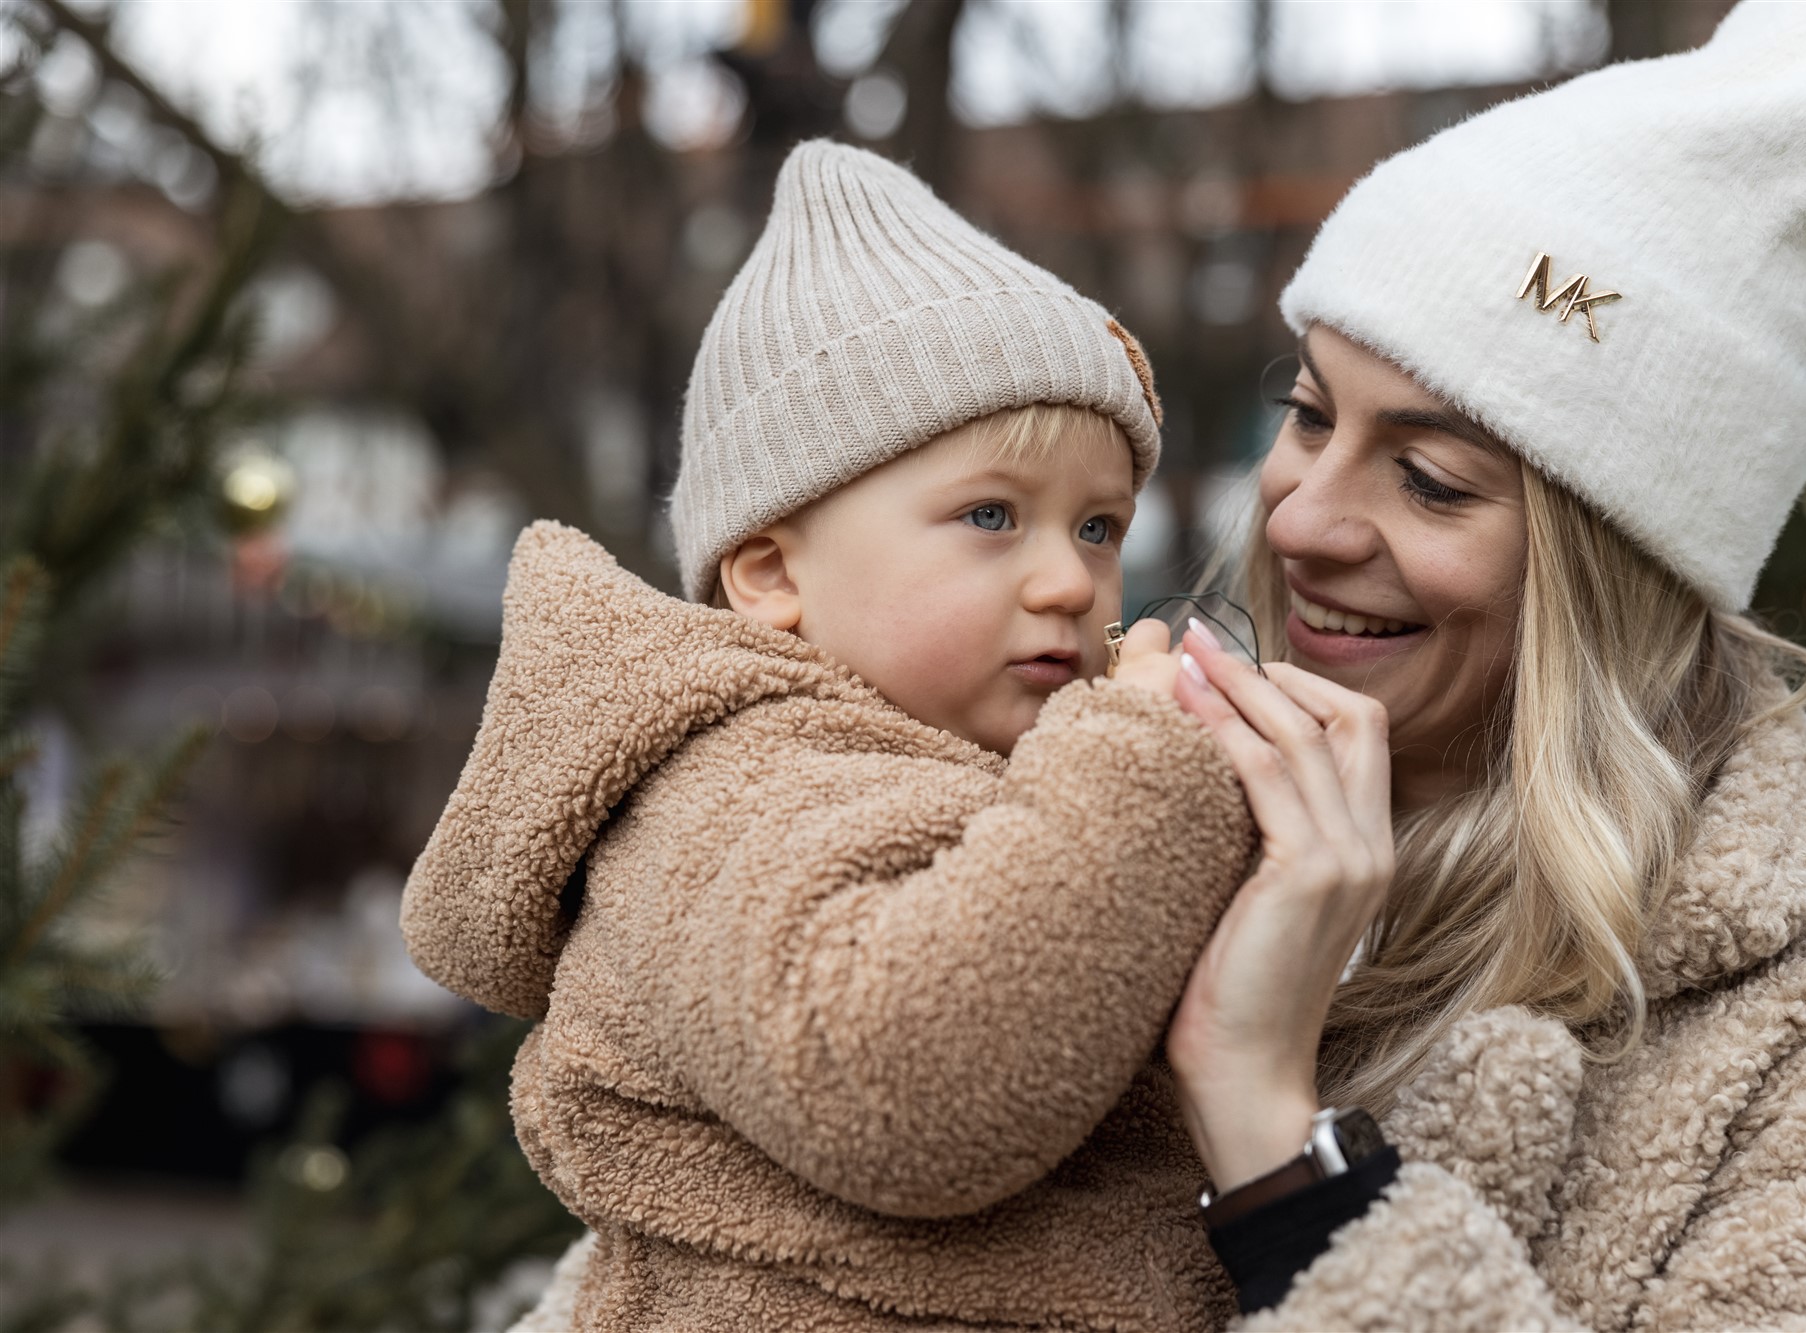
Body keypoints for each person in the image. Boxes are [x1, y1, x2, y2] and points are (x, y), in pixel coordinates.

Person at [1155, 0, 1806, 1326]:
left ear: (1612, 576)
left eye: (1431, 480)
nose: (1302, 517)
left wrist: (1277, 1141)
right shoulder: (1101, 793)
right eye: (1307, 413)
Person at [401, 141, 1259, 1332]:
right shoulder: (719, 788)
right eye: (991, 515)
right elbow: (905, 1087)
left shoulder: (1015, 782)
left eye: (1100, 526)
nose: (1069, 579)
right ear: (767, 572)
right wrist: (1143, 778)